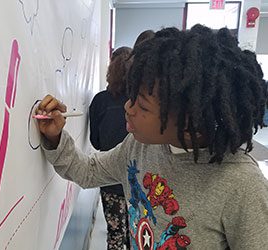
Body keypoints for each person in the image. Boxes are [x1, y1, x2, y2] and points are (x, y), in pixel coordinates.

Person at [36, 24, 268, 249]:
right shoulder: (138, 147)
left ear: (189, 121)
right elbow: (88, 171)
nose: (128, 107)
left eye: (144, 107)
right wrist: (56, 138)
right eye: (132, 95)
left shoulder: (242, 185)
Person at [89, 46, 132, 250]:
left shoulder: (100, 100)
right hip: (137, 178)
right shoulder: (139, 102)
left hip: (109, 177)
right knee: (138, 233)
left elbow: (96, 142)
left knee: (115, 233)